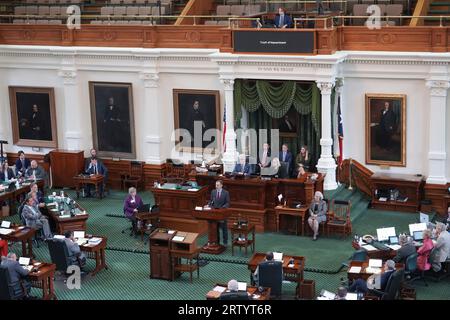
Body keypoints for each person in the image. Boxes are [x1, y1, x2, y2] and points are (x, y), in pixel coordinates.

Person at [208, 180, 230, 245]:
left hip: (222, 213)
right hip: (214, 213)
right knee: (215, 228)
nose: (216, 186)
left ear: (221, 185)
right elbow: (211, 201)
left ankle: (225, 242)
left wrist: (223, 208)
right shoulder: (213, 192)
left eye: (217, 185)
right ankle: (217, 242)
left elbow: (227, 203)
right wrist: (208, 205)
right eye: (216, 185)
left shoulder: (226, 193)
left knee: (224, 228)